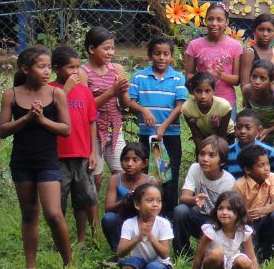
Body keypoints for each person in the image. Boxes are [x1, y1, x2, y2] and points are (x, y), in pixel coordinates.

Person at [0, 45, 73, 269]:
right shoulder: (11, 94)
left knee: (53, 213)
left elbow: (66, 128)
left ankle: (69, 264)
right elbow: (2, 130)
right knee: (29, 213)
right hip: (22, 161)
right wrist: (27, 118)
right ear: (25, 69)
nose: (47, 71)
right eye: (41, 66)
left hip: (47, 161)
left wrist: (42, 120)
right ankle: (30, 267)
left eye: (49, 67)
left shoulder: (56, 94)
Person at [127, 36, 186, 214]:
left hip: (169, 136)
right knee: (146, 175)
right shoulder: (139, 77)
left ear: (172, 56)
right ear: (150, 55)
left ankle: (170, 216)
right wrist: (143, 110)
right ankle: (145, 213)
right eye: (157, 53)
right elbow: (131, 102)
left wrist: (163, 127)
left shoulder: (177, 78)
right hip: (147, 135)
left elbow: (180, 106)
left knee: (169, 176)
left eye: (166, 54)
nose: (161, 58)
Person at [50, 45, 99, 247]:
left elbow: (91, 121)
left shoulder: (85, 92)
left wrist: (92, 151)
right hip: (57, 155)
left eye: (78, 67)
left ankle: (83, 239)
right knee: (59, 200)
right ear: (56, 68)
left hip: (81, 153)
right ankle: (60, 241)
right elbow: (49, 112)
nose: (75, 72)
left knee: (84, 198)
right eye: (71, 67)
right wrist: (67, 89)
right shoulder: (49, 90)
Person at [79, 26, 128, 191]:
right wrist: (112, 91)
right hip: (92, 131)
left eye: (112, 48)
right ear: (91, 49)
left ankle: (119, 206)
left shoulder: (117, 69)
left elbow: (125, 103)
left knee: (123, 173)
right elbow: (85, 107)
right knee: (96, 178)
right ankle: (92, 207)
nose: (110, 52)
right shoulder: (83, 73)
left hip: (114, 128)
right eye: (106, 48)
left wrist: (122, 92)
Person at [190, 191, 263, 269]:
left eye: (230, 209)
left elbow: (252, 258)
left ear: (238, 212)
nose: (224, 212)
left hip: (231, 266)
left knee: (244, 262)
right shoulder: (211, 231)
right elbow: (198, 258)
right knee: (217, 253)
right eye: (220, 208)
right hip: (213, 267)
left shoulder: (243, 231)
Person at [172, 136, 236, 256]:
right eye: (202, 154)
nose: (204, 159)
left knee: (211, 255)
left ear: (222, 162)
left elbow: (228, 216)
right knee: (180, 210)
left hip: (217, 223)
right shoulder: (195, 168)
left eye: (211, 155)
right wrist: (194, 199)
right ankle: (181, 252)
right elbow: (183, 198)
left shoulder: (228, 182)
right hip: (198, 218)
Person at [116, 182, 173, 269]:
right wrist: (138, 237)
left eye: (159, 201)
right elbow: (120, 252)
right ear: (137, 205)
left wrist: (151, 238)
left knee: (153, 268)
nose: (155, 204)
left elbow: (165, 254)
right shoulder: (129, 224)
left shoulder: (163, 224)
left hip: (160, 266)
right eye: (150, 200)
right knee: (127, 267)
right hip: (139, 264)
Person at [184, 3, 243, 108]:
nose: (214, 23)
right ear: (205, 21)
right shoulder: (194, 45)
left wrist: (220, 75)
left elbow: (237, 80)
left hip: (227, 103)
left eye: (219, 20)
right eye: (210, 19)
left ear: (227, 22)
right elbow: (188, 76)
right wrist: (204, 75)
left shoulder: (235, 46)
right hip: (201, 102)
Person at [233, 144, 274, 261]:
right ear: (248, 170)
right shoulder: (239, 185)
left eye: (267, 164)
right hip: (247, 223)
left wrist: (263, 210)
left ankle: (269, 253)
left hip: (265, 219)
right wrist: (246, 216)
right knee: (250, 253)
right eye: (261, 165)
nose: (267, 168)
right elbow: (237, 213)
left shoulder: (271, 177)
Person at [102, 143, 152, 252]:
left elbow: (154, 209)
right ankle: (117, 251)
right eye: (126, 159)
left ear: (144, 163)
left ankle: (143, 249)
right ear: (121, 162)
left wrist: (139, 197)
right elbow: (108, 208)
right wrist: (124, 200)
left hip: (141, 221)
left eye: (135, 160)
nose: (129, 164)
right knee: (109, 218)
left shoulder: (150, 181)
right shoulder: (115, 179)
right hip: (121, 219)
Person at [239, 13, 274, 100]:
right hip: (256, 100)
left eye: (269, 30)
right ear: (254, 32)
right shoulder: (249, 53)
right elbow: (244, 84)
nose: (265, 34)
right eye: (261, 30)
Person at [227, 109, 274, 180]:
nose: (242, 131)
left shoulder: (268, 151)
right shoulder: (228, 152)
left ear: (258, 130)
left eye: (248, 127)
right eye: (239, 127)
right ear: (235, 129)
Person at [182, 72, 232, 151]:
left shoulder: (223, 106)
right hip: (205, 135)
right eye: (198, 91)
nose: (203, 96)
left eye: (207, 91)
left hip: (226, 135)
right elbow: (196, 135)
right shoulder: (187, 108)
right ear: (192, 91)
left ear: (213, 91)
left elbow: (222, 134)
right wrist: (201, 153)